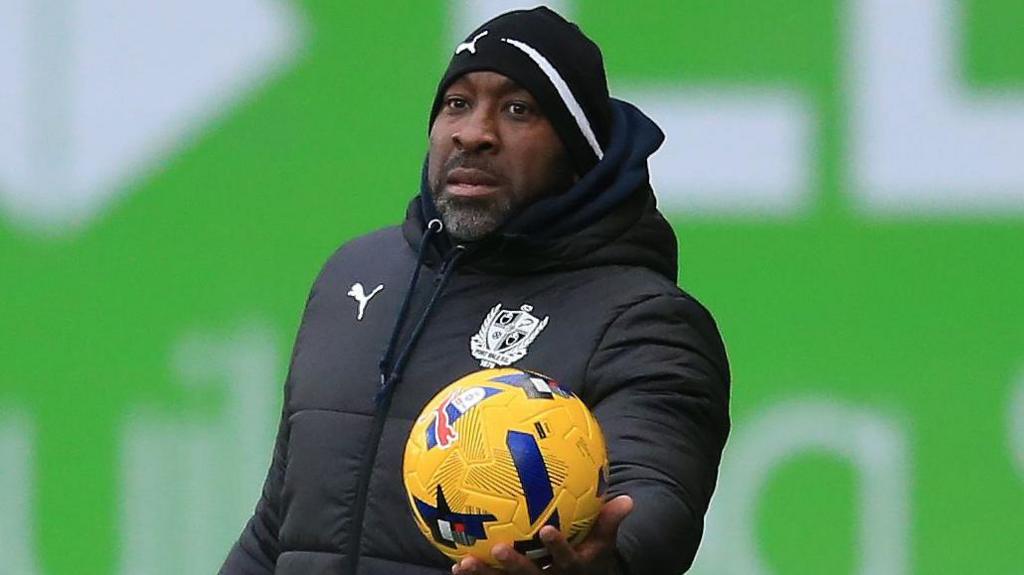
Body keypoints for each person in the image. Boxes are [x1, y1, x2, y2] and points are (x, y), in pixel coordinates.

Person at [220, 7, 729, 575]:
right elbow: (279, 529)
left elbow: (654, 496)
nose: (474, 133)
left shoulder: (644, 319)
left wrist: (608, 563)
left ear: (576, 154)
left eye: (518, 109)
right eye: (457, 103)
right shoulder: (354, 275)